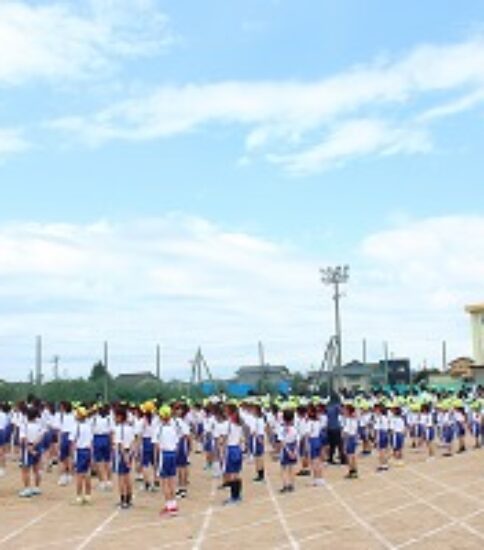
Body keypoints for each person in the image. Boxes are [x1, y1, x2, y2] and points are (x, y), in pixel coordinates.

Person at [156, 405, 179, 517]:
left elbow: (156, 445)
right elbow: (176, 442)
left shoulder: (159, 428)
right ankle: (173, 505)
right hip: (173, 454)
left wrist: (156, 460)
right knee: (171, 480)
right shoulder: (173, 428)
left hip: (164, 455)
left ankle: (169, 506)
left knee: (164, 482)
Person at [113, 406, 135, 510]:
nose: (114, 418)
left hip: (122, 454)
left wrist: (125, 456)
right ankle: (129, 498)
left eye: (116, 416)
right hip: (129, 452)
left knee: (121, 478)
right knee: (127, 476)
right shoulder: (130, 428)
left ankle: (123, 500)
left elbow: (120, 444)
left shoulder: (119, 429)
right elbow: (132, 442)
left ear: (120, 417)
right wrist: (130, 454)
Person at [18, 406, 43, 498]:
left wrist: (30, 448)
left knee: (25, 469)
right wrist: (34, 446)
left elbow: (24, 439)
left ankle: (27, 489)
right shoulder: (39, 425)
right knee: (37, 469)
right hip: (37, 447)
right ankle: (36, 488)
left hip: (27, 448)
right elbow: (40, 437)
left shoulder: (24, 425)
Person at [71, 406, 94, 505]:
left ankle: (79, 496)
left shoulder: (76, 426)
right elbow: (91, 442)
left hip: (80, 451)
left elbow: (73, 442)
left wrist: (72, 455)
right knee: (87, 474)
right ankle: (88, 495)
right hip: (87, 451)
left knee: (79, 475)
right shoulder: (88, 426)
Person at [223, 404, 244, 505]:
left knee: (231, 474)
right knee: (236, 473)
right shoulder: (239, 423)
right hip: (238, 449)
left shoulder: (229, 424)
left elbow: (225, 438)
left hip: (231, 449)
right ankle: (237, 495)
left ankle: (233, 497)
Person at [92, 404, 113, 491]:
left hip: (98, 438)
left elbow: (91, 430)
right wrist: (111, 443)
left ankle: (102, 482)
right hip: (106, 439)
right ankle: (108, 481)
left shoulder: (94, 419)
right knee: (107, 461)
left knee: (99, 462)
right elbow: (111, 432)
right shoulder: (109, 418)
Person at [279, 408, 298, 494]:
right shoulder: (294, 428)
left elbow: (282, 442)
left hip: (285, 448)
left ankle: (285, 485)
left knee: (283, 468)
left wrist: (288, 451)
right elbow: (297, 440)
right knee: (292, 467)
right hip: (293, 447)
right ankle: (292, 485)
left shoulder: (282, 428)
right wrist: (294, 451)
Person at [307, 404, 324, 486]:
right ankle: (320, 478)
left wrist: (306, 444)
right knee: (318, 460)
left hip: (312, 441)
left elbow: (308, 434)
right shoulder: (318, 421)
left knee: (313, 461)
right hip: (318, 440)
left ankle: (316, 478)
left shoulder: (310, 422)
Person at [326, 393, 345, 465]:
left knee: (331, 444)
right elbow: (342, 412)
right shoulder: (336, 406)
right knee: (340, 443)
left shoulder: (328, 406)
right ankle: (342, 458)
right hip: (336, 427)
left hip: (329, 426)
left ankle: (330, 458)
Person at [343, 404, 358, 479]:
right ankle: (354, 470)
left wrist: (345, 443)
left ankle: (351, 471)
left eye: (345, 410)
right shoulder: (354, 419)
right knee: (353, 455)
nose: (343, 411)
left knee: (349, 455)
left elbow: (346, 433)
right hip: (354, 437)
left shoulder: (348, 420)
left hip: (349, 438)